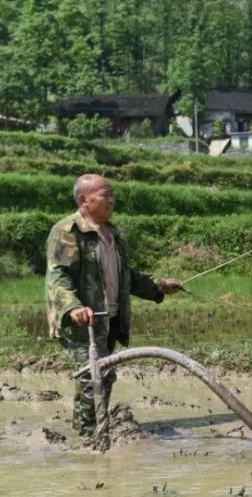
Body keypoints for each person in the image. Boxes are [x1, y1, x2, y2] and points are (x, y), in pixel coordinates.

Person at [46, 174, 183, 436]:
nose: (111, 200)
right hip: (81, 321)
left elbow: (124, 277)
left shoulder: (113, 234)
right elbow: (58, 276)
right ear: (84, 200)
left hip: (108, 319)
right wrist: (73, 307)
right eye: (104, 195)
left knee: (105, 376)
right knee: (92, 377)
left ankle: (97, 425)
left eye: (112, 194)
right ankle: (88, 436)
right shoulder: (67, 231)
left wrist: (158, 286)